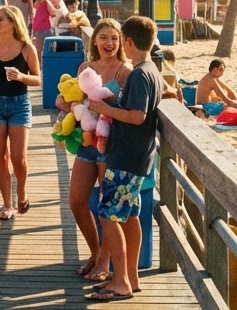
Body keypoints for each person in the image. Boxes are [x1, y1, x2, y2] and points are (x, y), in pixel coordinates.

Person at [87, 16, 164, 301]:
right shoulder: (152, 70)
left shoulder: (140, 74)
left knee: (108, 215)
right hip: (138, 156)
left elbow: (137, 116)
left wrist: (102, 106)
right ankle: (131, 277)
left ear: (128, 42)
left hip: (126, 157)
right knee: (130, 217)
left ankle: (119, 281)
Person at [59, 18, 131, 281]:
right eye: (104, 37)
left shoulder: (125, 71)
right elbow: (74, 100)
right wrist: (65, 104)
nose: (109, 43)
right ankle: (95, 251)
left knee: (106, 206)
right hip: (87, 142)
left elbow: (133, 108)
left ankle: (104, 262)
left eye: (114, 38)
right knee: (77, 202)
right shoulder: (85, 67)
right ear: (95, 41)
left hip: (112, 145)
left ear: (121, 41)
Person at [0, 5, 40, 220]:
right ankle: (7, 204)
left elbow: (38, 78)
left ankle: (21, 192)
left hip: (19, 104)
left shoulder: (26, 48)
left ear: (13, 23)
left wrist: (21, 77)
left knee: (18, 157)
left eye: (2, 19)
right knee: (0, 156)